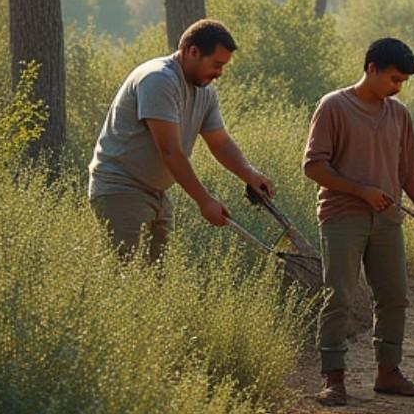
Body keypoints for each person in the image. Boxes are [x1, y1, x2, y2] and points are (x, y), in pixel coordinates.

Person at [304, 37, 414, 407]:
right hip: (341, 218)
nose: (398, 88)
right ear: (371, 68)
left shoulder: (398, 114)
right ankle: (333, 378)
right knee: (339, 296)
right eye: (394, 79)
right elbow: (314, 165)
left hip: (387, 220)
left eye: (403, 83)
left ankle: (389, 373)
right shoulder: (334, 106)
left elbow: (410, 172)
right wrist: (360, 190)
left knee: (394, 296)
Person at [88, 19, 274, 263]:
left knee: (155, 281)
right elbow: (170, 152)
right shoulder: (158, 79)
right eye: (216, 64)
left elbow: (220, 143)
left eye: (223, 66)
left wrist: (249, 174)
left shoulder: (205, 90)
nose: (220, 73)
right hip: (121, 189)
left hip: (157, 194)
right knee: (128, 277)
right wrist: (205, 201)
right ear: (193, 51)